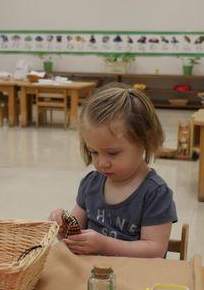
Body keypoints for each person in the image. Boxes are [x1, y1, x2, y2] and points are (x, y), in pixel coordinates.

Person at [49, 84, 177, 258]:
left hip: (136, 278)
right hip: (93, 277)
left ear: (145, 141)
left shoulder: (155, 193)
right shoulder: (91, 184)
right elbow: (72, 237)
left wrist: (104, 245)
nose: (102, 163)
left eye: (112, 153)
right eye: (94, 152)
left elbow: (155, 250)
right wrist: (61, 225)